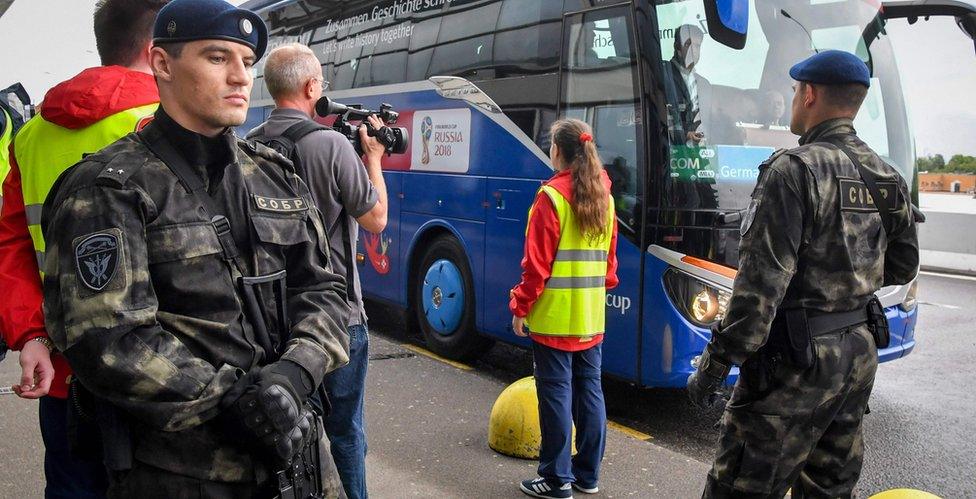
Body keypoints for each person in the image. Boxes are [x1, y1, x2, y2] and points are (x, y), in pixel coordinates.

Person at [40, 0, 352, 496]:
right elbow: (108, 338)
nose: (240, 77)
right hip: (183, 475)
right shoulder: (108, 189)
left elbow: (325, 290)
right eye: (216, 58)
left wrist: (295, 373)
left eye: (247, 63)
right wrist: (233, 405)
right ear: (162, 63)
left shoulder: (276, 173)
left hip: (299, 462)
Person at [686, 50, 919, 498]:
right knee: (828, 488)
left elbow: (758, 294)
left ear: (809, 94)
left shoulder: (792, 171)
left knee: (741, 486)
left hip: (794, 363)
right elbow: (903, 266)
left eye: (796, 91)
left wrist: (713, 369)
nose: (794, 98)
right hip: (856, 356)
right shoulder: (887, 176)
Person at [0, 2, 165, 496]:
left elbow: (10, 243)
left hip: (62, 367)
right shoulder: (169, 120)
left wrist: (30, 334)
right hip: (159, 373)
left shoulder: (31, 134)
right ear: (157, 51)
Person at [247, 42, 388, 499]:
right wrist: (373, 159)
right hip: (337, 318)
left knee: (283, 429)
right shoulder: (329, 145)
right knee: (346, 431)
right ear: (311, 87)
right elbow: (375, 219)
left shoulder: (247, 148)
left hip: (270, 322)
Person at [510, 119, 619, 499]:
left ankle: (557, 480)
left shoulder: (551, 198)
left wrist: (521, 307)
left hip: (555, 316)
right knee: (590, 392)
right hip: (591, 318)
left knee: (555, 394)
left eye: (551, 146)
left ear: (559, 151)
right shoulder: (604, 195)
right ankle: (587, 475)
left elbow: (536, 267)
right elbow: (609, 266)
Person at [663, 24, 712, 146]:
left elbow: (709, 123)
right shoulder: (663, 73)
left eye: (697, 46)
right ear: (677, 47)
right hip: (672, 152)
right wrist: (685, 134)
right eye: (688, 44)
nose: (693, 50)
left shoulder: (705, 85)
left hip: (701, 154)